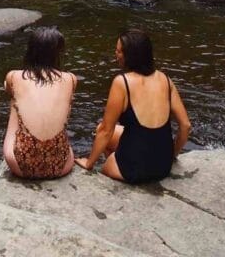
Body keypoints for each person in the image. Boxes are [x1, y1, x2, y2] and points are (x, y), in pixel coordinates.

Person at [75, 28, 191, 183]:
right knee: (103, 131)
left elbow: (106, 131)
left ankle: (123, 166)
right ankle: (129, 159)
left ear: (130, 56)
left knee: (102, 153)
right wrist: (172, 156)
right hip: (163, 166)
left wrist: (88, 163)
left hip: (133, 170)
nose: (115, 54)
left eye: (119, 52)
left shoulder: (122, 83)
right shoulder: (165, 79)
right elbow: (185, 125)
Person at [3, 26, 77, 179]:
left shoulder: (14, 76)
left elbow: (9, 90)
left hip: (20, 164)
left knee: (15, 101)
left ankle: (24, 144)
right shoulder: (70, 79)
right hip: (61, 165)